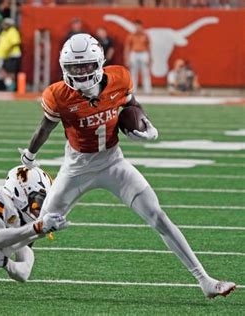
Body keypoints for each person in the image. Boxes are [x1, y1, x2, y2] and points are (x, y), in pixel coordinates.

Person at [18, 33, 236, 299]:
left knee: (158, 216)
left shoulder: (119, 78)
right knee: (41, 226)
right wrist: (29, 155)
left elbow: (132, 105)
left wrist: (147, 123)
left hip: (113, 163)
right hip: (76, 168)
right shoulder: (58, 94)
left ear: (98, 63)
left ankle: (205, 281)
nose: (80, 72)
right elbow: (45, 127)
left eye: (85, 65)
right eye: (74, 67)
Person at [123, 19, 152, 94]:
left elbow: (149, 47)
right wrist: (127, 58)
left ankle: (147, 90)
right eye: (136, 26)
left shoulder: (145, 35)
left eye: (139, 26)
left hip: (144, 53)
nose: (137, 28)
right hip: (134, 53)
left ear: (141, 26)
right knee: (133, 72)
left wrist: (150, 57)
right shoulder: (131, 35)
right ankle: (133, 90)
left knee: (145, 72)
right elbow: (127, 47)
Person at [0, 18, 21, 91]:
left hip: (12, 55)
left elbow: (15, 43)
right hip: (3, 55)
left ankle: (11, 86)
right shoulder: (4, 32)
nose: (3, 25)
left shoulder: (12, 31)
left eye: (5, 24)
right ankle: (9, 84)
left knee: (10, 71)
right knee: (3, 70)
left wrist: (9, 51)